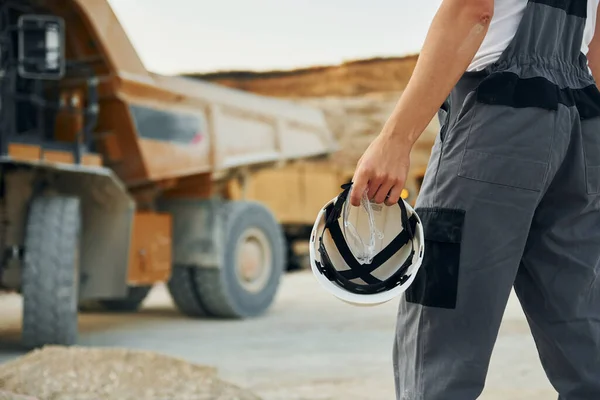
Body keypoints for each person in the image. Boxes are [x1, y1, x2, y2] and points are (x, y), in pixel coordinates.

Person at [350, 0, 600, 399]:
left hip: (499, 122)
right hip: (582, 127)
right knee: (583, 321)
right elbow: (596, 43)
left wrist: (396, 139)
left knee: (441, 327)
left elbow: (472, 9)